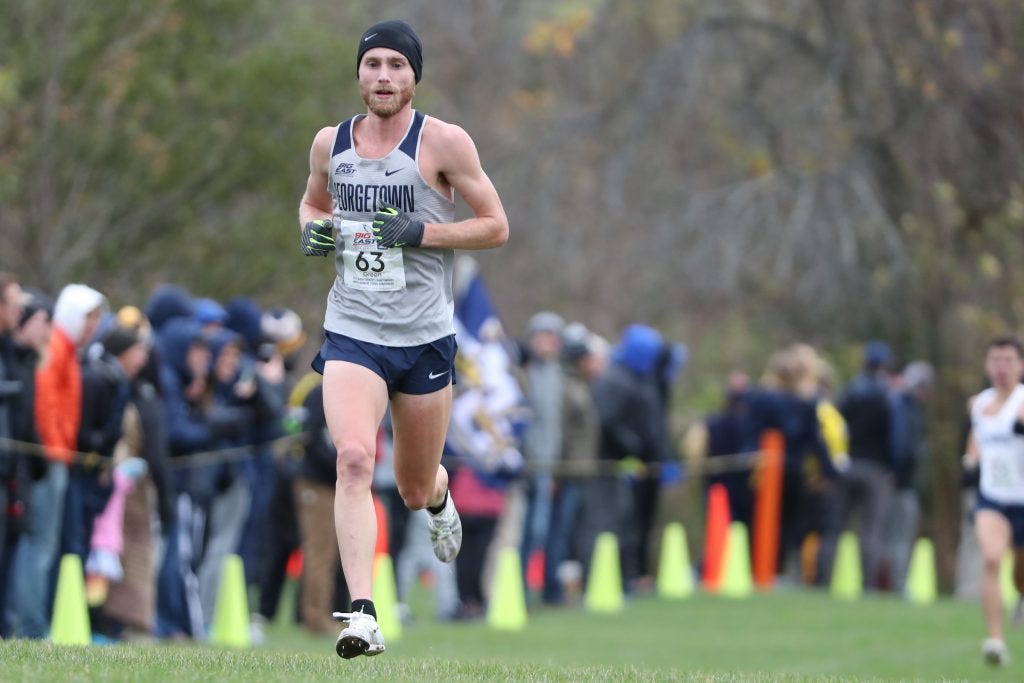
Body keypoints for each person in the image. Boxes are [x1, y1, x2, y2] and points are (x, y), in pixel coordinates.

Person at [297, 18, 509, 658]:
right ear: (359, 74)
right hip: (353, 329)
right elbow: (313, 205)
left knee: (413, 487)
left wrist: (420, 233)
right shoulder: (330, 143)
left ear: (414, 76)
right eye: (373, 64)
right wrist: (315, 232)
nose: (383, 76)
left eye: (396, 65)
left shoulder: (443, 143)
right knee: (355, 460)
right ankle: (362, 614)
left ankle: (440, 495)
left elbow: (495, 226)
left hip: (424, 338)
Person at [963, 336, 1024, 667]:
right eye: (996, 361)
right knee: (990, 558)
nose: (1001, 368)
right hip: (992, 497)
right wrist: (971, 457)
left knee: (1020, 570)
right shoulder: (978, 404)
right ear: (987, 366)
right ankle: (996, 641)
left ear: (1020, 366)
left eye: (1008, 361)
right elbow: (979, 436)